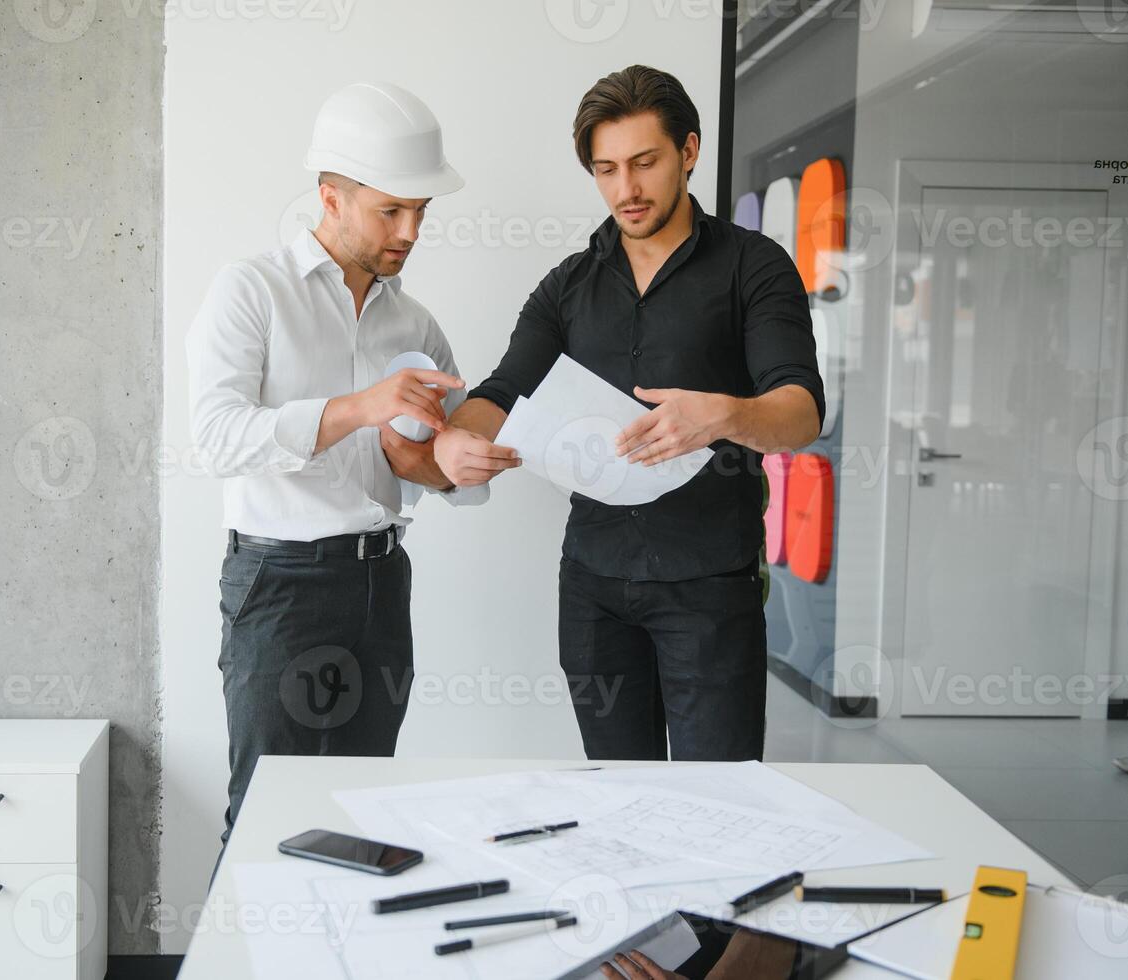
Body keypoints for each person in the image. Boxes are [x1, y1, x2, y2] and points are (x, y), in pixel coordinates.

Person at [434, 64, 824, 762]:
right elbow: (504, 389)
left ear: (688, 152)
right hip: (593, 589)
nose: (626, 189)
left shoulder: (753, 266)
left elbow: (799, 411)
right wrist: (455, 443)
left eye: (643, 163)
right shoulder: (567, 286)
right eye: (605, 169)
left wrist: (725, 414)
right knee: (615, 797)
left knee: (720, 801)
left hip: (708, 584)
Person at [187, 81, 490, 847]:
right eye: (391, 210)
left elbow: (423, 469)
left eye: (421, 211)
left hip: (380, 584)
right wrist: (365, 405)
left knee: (361, 808)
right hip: (279, 586)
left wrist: (451, 459)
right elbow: (216, 438)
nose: (411, 230)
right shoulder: (250, 292)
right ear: (329, 197)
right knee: (264, 814)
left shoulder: (415, 322)